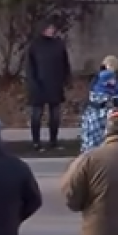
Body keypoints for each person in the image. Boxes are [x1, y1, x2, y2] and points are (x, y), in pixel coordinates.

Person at [25, 18, 72, 151]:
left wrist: (66, 79)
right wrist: (32, 83)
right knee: (37, 115)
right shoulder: (35, 45)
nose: (51, 30)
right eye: (48, 28)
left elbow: (65, 63)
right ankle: (36, 142)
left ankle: (53, 141)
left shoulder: (58, 44)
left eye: (52, 28)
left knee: (55, 115)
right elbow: (29, 67)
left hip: (55, 84)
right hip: (38, 85)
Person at [80, 70, 118, 154]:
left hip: (109, 117)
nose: (114, 81)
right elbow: (97, 102)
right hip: (98, 118)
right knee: (96, 137)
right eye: (111, 79)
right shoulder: (98, 90)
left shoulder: (117, 89)